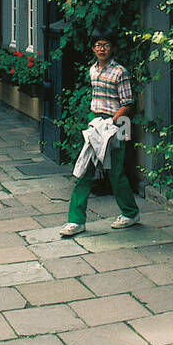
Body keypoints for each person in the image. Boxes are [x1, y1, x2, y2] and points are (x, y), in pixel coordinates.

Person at [60, 29, 140, 237]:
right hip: (96, 122)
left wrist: (112, 124)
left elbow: (128, 104)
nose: (101, 49)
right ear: (93, 48)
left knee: (116, 171)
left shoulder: (120, 72)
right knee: (85, 169)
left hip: (118, 123)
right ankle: (76, 221)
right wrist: (98, 124)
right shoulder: (92, 70)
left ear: (112, 47)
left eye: (105, 45)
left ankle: (130, 213)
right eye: (97, 45)